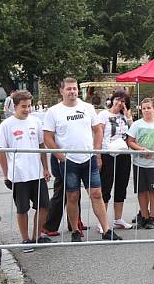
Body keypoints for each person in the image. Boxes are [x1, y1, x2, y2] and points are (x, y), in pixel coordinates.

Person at [43, 77, 122, 242]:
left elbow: (98, 130)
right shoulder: (53, 111)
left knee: (96, 193)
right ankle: (75, 231)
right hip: (68, 161)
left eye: (74, 88)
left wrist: (96, 152)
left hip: (88, 158)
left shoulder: (88, 107)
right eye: (69, 89)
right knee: (72, 196)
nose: (72, 91)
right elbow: (48, 137)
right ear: (62, 91)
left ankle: (107, 230)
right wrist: (60, 156)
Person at [0, 90, 52, 251]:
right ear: (15, 107)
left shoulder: (35, 122)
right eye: (23, 107)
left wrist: (46, 168)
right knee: (22, 208)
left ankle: (36, 236)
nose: (27, 109)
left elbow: (41, 146)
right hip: (19, 175)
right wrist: (6, 174)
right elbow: (1, 151)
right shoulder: (6, 125)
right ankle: (25, 239)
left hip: (37, 172)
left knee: (44, 205)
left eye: (29, 106)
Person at [97, 90, 133, 231]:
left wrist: (128, 116)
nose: (120, 103)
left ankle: (118, 218)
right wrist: (98, 155)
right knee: (105, 187)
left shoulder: (125, 116)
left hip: (123, 153)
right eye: (118, 99)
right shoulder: (103, 115)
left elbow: (132, 132)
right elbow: (98, 135)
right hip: (108, 153)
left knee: (121, 186)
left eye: (123, 101)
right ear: (112, 100)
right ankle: (102, 221)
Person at [126, 98, 154, 229]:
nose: (147, 110)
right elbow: (130, 141)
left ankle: (152, 216)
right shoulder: (137, 124)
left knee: (153, 190)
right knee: (141, 190)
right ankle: (144, 215)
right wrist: (140, 149)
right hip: (139, 162)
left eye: (149, 108)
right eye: (144, 108)